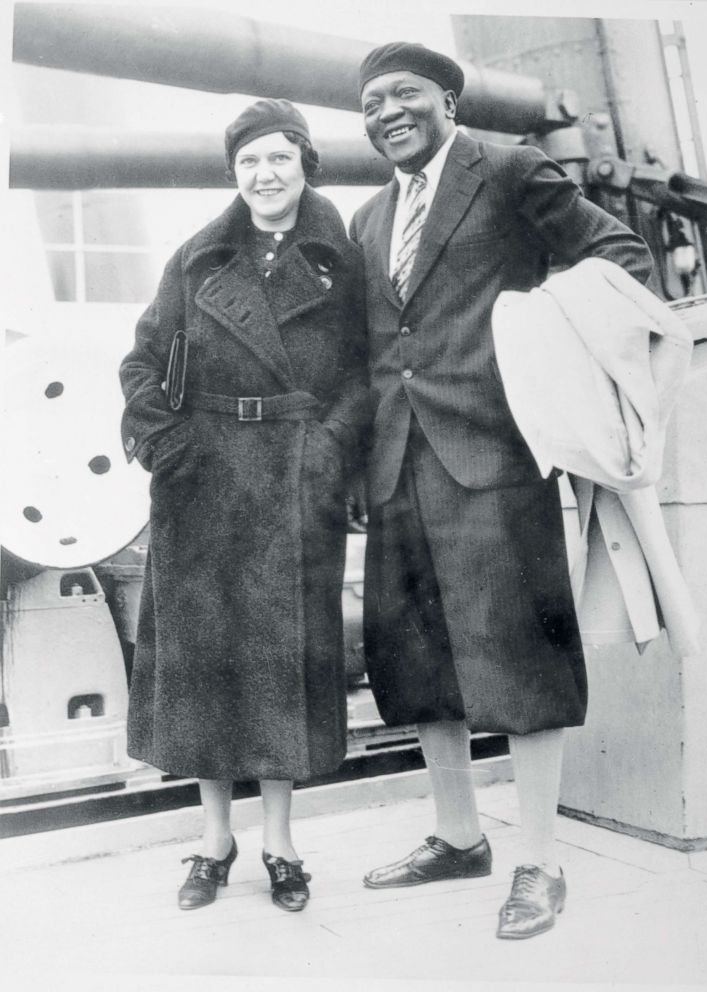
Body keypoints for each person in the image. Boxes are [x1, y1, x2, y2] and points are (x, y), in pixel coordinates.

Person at [349, 42, 653, 940]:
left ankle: (540, 863)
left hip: (492, 458)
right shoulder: (369, 216)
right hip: (397, 464)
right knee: (415, 660)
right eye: (370, 103)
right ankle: (458, 837)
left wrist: (532, 350)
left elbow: (618, 254)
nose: (387, 112)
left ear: (448, 98)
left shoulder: (510, 167)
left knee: (518, 657)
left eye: (404, 94)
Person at [119, 98, 368, 914]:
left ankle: (282, 841)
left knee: (281, 661)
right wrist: (168, 445)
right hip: (202, 481)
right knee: (203, 663)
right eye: (249, 163)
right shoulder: (198, 256)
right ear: (235, 175)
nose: (265, 176)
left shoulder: (344, 258)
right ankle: (213, 838)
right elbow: (141, 362)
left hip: (294, 476)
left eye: (279, 159)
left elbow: (367, 372)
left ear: (306, 165)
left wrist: (328, 448)